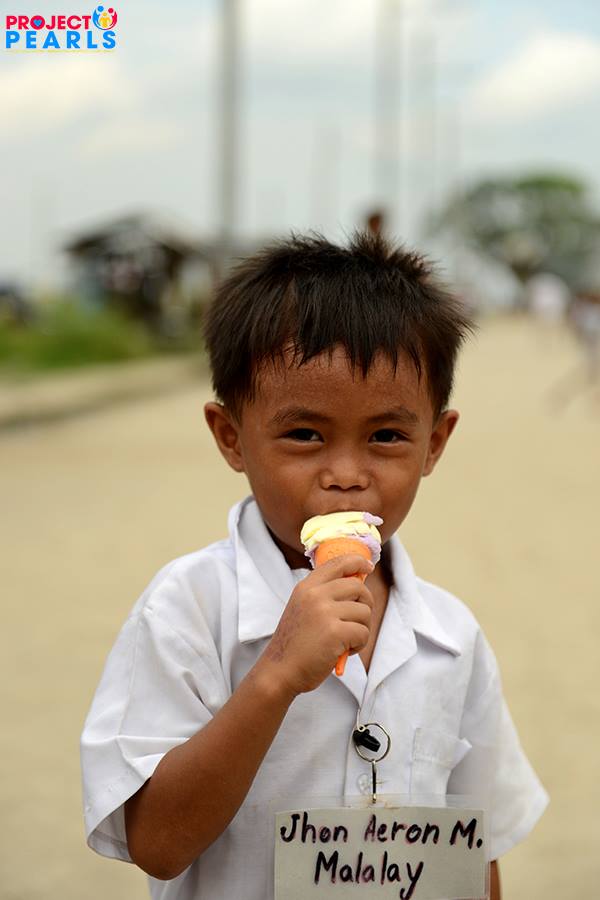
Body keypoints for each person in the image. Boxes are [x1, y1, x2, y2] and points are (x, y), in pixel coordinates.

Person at [80, 232, 548, 899]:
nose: (347, 475)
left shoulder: (452, 638)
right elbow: (156, 843)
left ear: (435, 443)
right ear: (231, 437)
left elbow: (476, 846)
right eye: (304, 435)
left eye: (387, 436)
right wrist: (276, 674)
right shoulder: (188, 608)